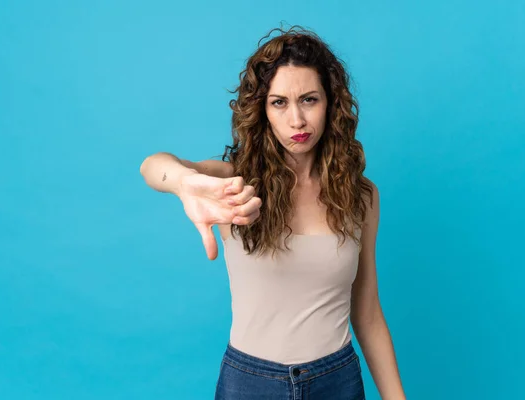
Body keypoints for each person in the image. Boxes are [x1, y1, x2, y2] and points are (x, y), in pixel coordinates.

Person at [140, 26, 406, 400]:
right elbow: (153, 166)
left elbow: (367, 313)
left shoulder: (360, 196)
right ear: (262, 109)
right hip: (250, 382)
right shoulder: (233, 181)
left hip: (337, 380)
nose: (296, 120)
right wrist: (183, 182)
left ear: (331, 104)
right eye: (279, 102)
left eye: (309, 99)